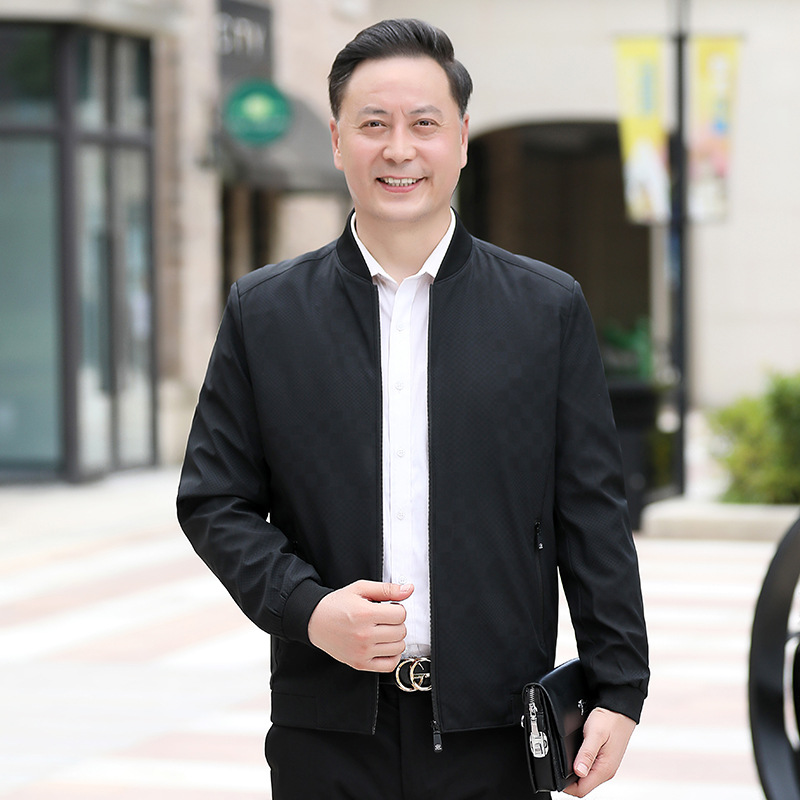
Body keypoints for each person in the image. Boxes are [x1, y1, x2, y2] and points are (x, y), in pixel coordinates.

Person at [177, 17, 649, 800]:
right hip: (326, 733)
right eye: (374, 125)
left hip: (498, 730)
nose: (399, 150)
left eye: (424, 124)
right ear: (337, 142)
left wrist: (620, 686)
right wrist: (309, 609)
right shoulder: (266, 312)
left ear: (461, 139)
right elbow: (213, 500)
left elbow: (591, 510)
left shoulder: (545, 309)